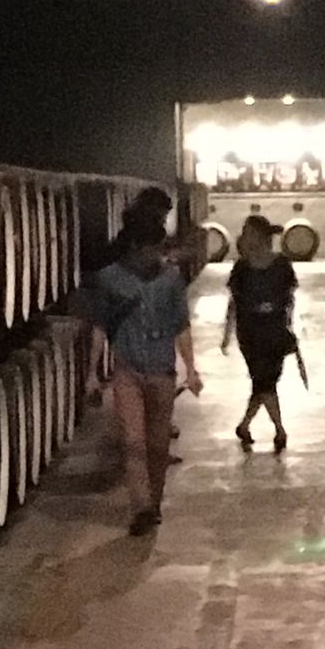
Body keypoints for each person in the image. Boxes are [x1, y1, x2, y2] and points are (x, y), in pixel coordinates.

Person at [92, 210, 201, 533]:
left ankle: (153, 502)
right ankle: (140, 506)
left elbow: (181, 326)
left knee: (157, 445)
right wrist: (92, 371)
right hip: (127, 370)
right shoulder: (110, 278)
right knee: (134, 440)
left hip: (162, 371)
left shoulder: (170, 279)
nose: (158, 255)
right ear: (135, 246)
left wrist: (191, 369)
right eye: (153, 248)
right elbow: (100, 326)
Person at [222, 216, 301, 451]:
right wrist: (226, 334)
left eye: (248, 232)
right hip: (250, 332)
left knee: (265, 381)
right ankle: (280, 429)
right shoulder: (241, 268)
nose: (243, 237)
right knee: (264, 380)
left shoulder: (281, 265)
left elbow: (290, 297)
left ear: (259, 236)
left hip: (275, 329)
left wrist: (288, 323)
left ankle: (244, 425)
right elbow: (233, 303)